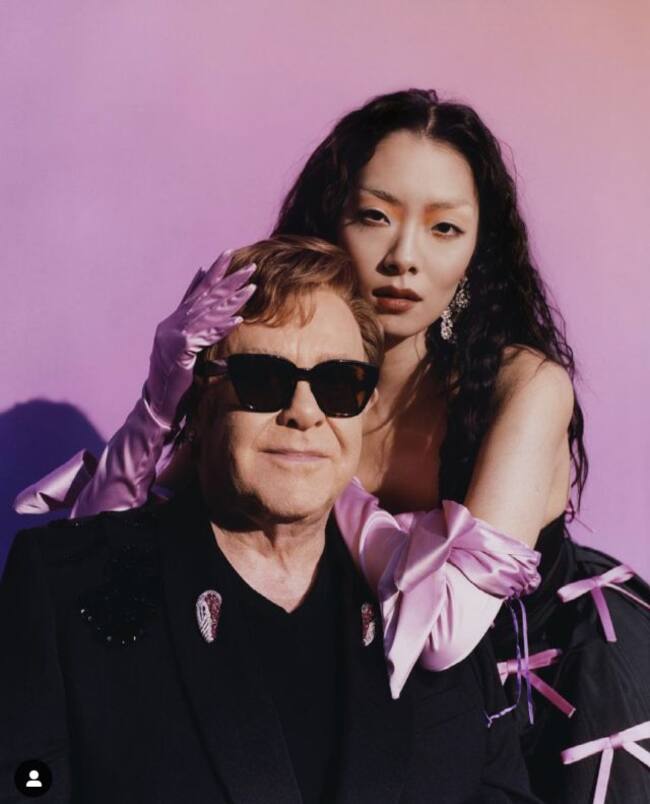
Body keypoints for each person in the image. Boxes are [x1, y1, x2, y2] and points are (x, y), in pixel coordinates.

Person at [13, 89, 650, 802]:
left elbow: (442, 633)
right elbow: (107, 567)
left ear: (479, 251)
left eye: (445, 228)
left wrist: (322, 485)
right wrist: (161, 399)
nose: (404, 258)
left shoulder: (522, 386)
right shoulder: (283, 374)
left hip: (544, 677)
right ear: (330, 221)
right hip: (373, 691)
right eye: (375, 216)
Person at [0, 238, 539, 804]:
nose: (305, 412)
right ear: (199, 405)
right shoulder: (65, 586)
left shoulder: (424, 598)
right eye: (261, 379)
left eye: (339, 384)